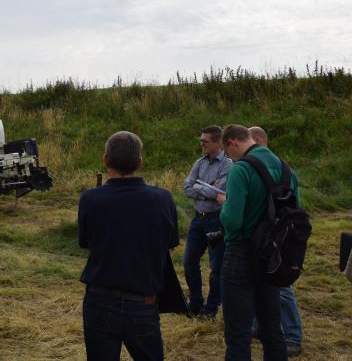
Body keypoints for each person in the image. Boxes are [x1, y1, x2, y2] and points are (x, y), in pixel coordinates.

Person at [78, 131, 179, 361]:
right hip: (142, 303)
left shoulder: (89, 199)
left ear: (105, 160)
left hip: (99, 300)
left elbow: (86, 243)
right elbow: (170, 245)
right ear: (139, 163)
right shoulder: (162, 198)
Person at [218, 124, 299, 360]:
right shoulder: (286, 169)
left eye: (227, 151)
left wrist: (225, 204)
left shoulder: (240, 169)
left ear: (232, 143)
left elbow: (232, 221)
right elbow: (296, 210)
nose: (228, 157)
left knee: (238, 331)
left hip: (241, 254)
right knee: (272, 327)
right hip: (274, 255)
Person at [248, 126, 303, 357]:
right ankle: (260, 325)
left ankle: (292, 336)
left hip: (278, 238)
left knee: (282, 288)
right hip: (261, 238)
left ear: (259, 140)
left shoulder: (281, 169)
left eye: (249, 142)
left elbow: (295, 207)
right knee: (258, 284)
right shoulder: (282, 169)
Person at [182, 125, 232, 319]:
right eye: (201, 140)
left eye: (205, 141)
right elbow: (186, 188)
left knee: (216, 267)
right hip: (198, 219)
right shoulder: (199, 163)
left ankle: (211, 308)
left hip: (216, 221)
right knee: (188, 262)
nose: (201, 144)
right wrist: (208, 189)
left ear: (218, 142)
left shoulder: (227, 164)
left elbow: (221, 193)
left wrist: (199, 188)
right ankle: (195, 302)